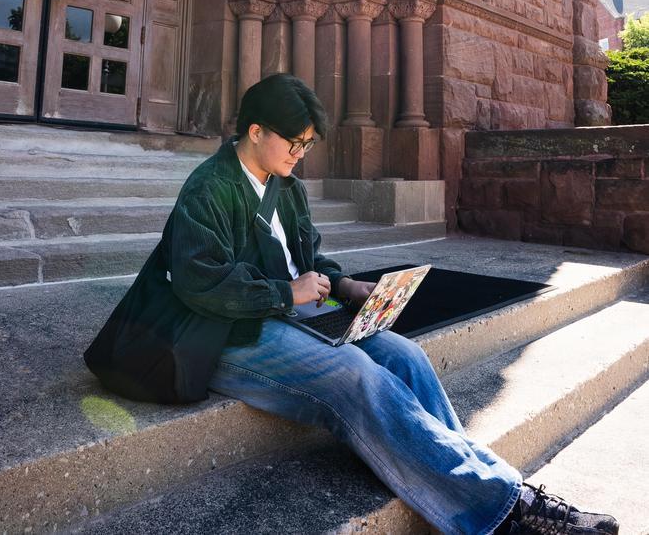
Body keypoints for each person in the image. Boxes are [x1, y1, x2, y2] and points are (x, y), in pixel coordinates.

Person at [88, 74, 620, 535]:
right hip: (220, 330)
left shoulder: (285, 185)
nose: (301, 154)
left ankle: (477, 484)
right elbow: (198, 282)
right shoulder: (209, 186)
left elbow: (310, 259)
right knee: (354, 373)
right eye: (294, 142)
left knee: (403, 355)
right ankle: (504, 510)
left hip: (284, 314)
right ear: (256, 131)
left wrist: (346, 288)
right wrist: (285, 293)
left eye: (308, 144)